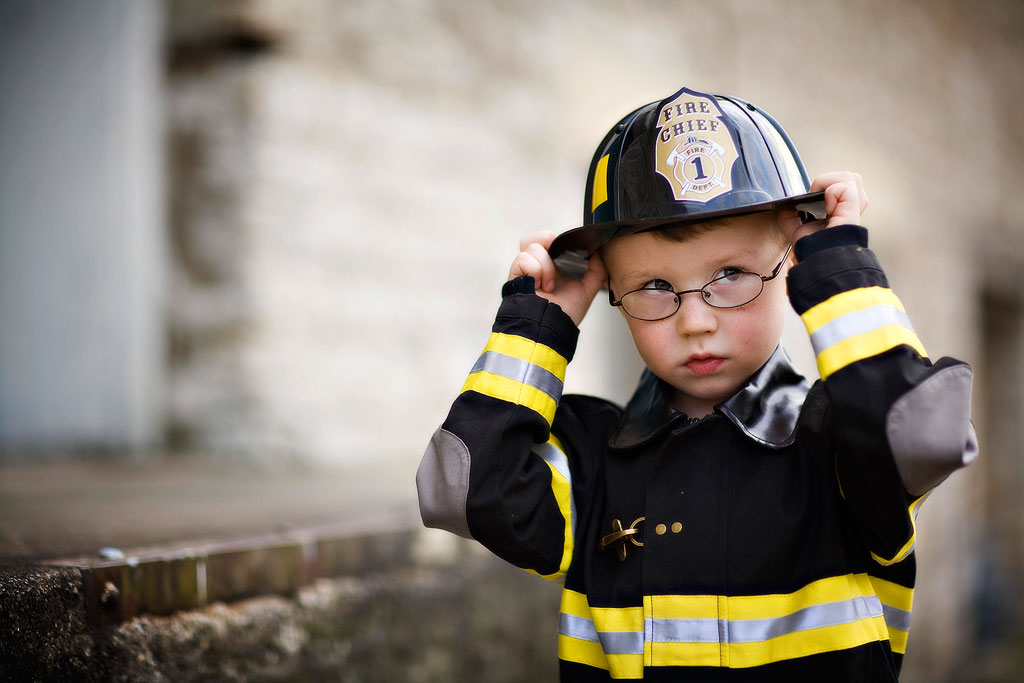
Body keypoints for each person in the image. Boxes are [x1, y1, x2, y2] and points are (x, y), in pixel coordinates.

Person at [416, 86, 977, 681]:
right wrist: (537, 329)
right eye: (654, 286)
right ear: (613, 297)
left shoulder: (837, 436)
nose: (696, 321)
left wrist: (838, 265)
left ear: (791, 265)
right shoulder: (591, 454)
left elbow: (922, 435)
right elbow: (460, 489)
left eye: (732, 274)